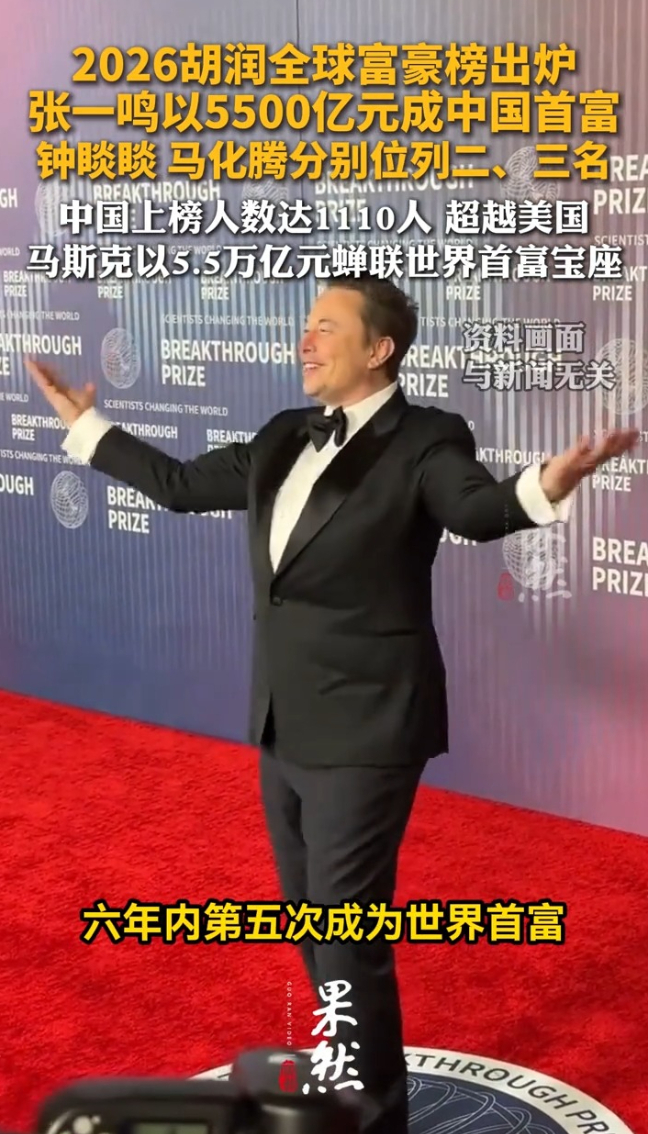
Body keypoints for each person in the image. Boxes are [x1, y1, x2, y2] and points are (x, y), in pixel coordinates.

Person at [25, 275, 637, 1134]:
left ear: (379, 349)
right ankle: (354, 1079)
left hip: (370, 722)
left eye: (326, 326)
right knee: (314, 924)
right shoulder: (284, 435)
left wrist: (548, 483)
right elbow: (178, 483)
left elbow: (478, 509)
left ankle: (374, 1117)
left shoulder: (426, 438)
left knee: (344, 927)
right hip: (285, 719)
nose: (305, 340)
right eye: (305, 325)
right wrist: (85, 425)